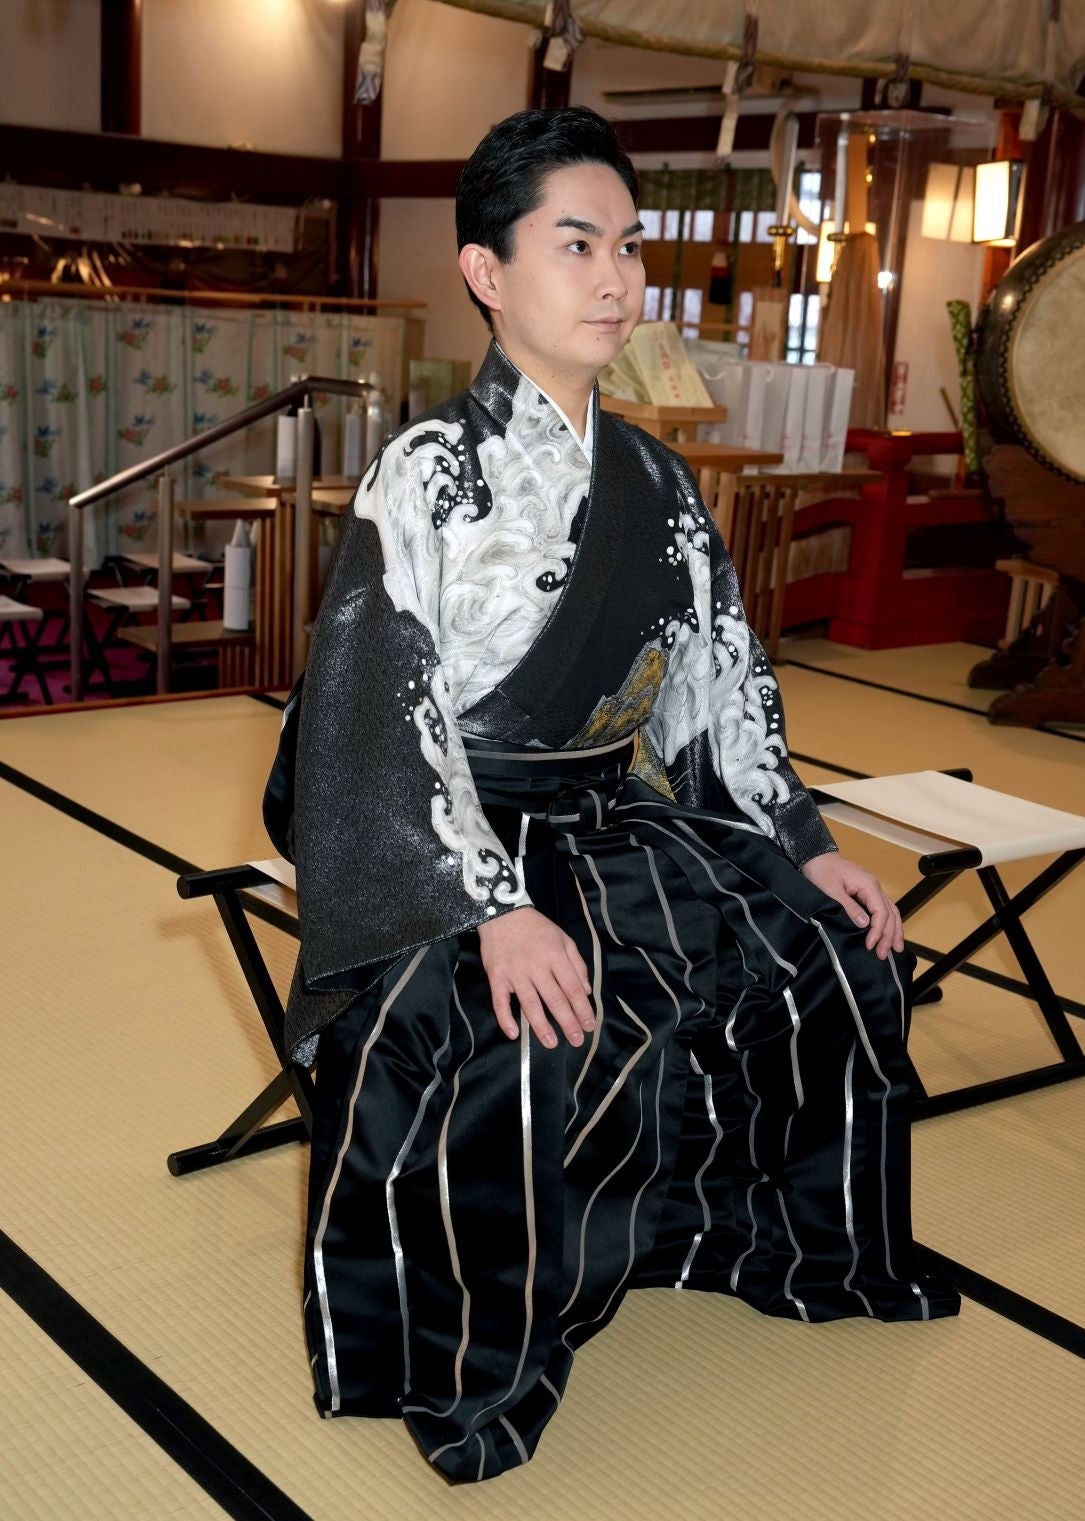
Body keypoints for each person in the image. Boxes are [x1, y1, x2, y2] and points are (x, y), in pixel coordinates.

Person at [264, 105, 959, 1485]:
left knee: (831, 954)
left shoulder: (656, 477)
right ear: (486, 272)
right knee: (532, 1033)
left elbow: (721, 685)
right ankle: (471, 1347)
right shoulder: (430, 471)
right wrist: (491, 908)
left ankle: (749, 1239)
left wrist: (804, 844)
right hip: (456, 839)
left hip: (611, 819)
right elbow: (381, 715)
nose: (617, 280)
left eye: (629, 247)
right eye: (575, 244)